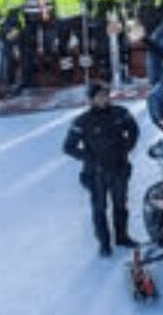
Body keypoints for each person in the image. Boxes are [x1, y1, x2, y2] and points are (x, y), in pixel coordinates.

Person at [62, 82, 140, 257]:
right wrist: (88, 158)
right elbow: (68, 147)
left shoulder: (121, 113)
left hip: (119, 169)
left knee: (121, 205)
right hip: (96, 173)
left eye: (106, 94)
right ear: (91, 99)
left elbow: (134, 131)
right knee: (99, 208)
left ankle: (122, 237)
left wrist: (125, 148)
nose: (104, 98)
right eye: (99, 96)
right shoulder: (82, 121)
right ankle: (104, 243)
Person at [49, 0, 87, 74]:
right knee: (63, 44)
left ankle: (85, 67)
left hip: (78, 15)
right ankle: (66, 69)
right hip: (62, 18)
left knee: (84, 41)